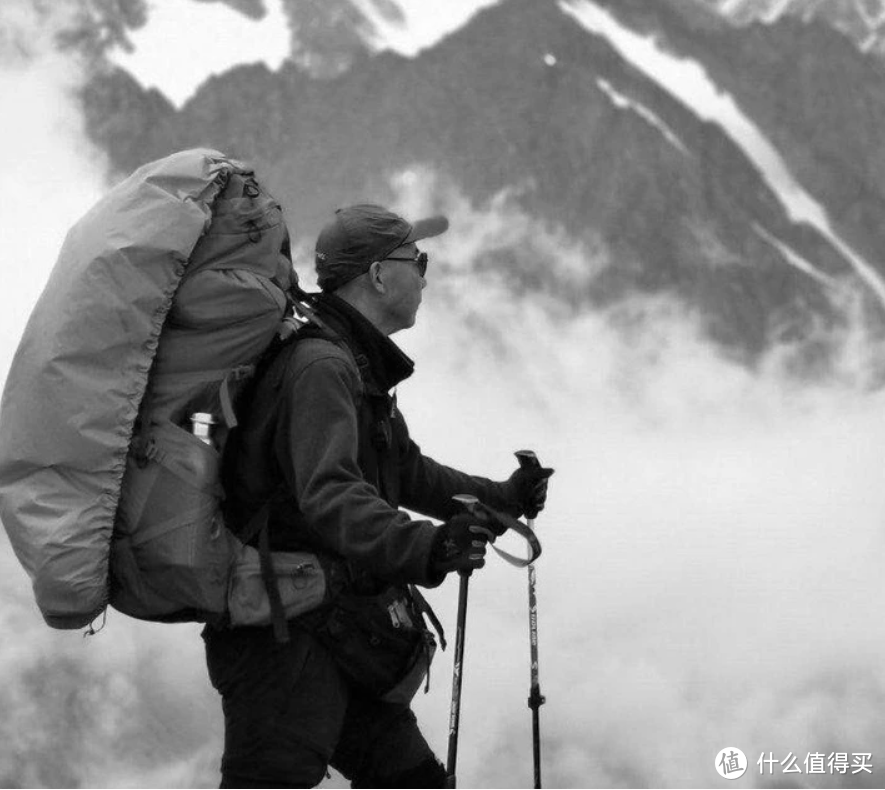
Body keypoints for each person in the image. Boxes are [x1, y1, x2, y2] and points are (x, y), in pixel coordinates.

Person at [203, 203, 553, 788]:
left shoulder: (351, 361)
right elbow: (331, 495)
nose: (424, 273)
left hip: (332, 625)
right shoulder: (322, 365)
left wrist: (503, 499)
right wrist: (431, 547)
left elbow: (406, 471)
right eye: (417, 260)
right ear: (377, 275)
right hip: (283, 637)